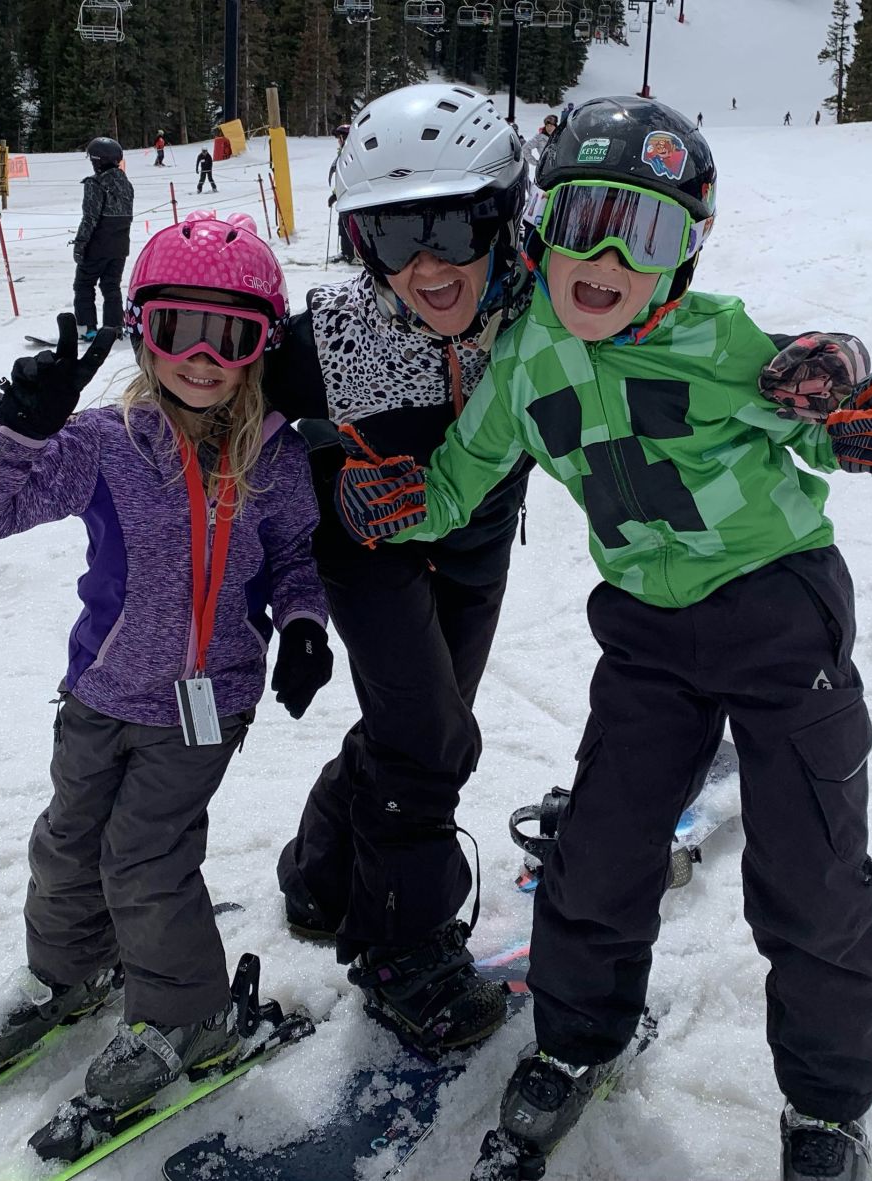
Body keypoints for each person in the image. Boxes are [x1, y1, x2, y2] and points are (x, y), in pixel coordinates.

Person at [337, 97, 872, 1181]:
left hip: (777, 612)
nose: (606, 253)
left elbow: (831, 401)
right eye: (585, 220)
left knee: (810, 875)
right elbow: (462, 478)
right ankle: (574, 1038)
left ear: (685, 257)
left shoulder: (723, 341)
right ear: (542, 228)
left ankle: (828, 1105)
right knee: (599, 852)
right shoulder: (524, 360)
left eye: (645, 232)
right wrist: (398, 505)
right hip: (650, 635)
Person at [0, 212, 332, 1121]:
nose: (202, 355)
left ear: (260, 346)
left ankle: (189, 1018)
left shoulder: (277, 457)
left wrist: (303, 623)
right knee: (67, 846)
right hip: (100, 691)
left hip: (207, 703)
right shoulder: (103, 442)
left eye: (233, 334)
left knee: (143, 859)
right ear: (145, 331)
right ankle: (70, 971)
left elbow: (299, 557)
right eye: (179, 327)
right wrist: (18, 435)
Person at [269, 84, 534, 1056]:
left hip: (475, 542)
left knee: (422, 723)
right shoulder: (337, 336)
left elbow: (673, 345)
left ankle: (320, 867)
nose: (425, 264)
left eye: (452, 225)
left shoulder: (547, 314)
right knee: (428, 741)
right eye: (389, 236)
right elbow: (217, 387)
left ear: (504, 213)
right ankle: (397, 945)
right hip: (369, 549)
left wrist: (816, 380)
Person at [72, 136, 134, 342]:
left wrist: (81, 244)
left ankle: (87, 328)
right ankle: (114, 327)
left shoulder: (95, 184)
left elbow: (90, 217)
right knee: (111, 286)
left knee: (83, 284)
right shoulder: (126, 184)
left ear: (97, 161)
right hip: (120, 245)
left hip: (98, 244)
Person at [327, 124, 355, 264]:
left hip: (353, 197)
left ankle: (355, 253)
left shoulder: (353, 154)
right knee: (343, 225)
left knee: (351, 226)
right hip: (345, 197)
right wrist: (335, 194)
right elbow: (341, 179)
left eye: (340, 137)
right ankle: (347, 252)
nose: (338, 140)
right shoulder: (342, 153)